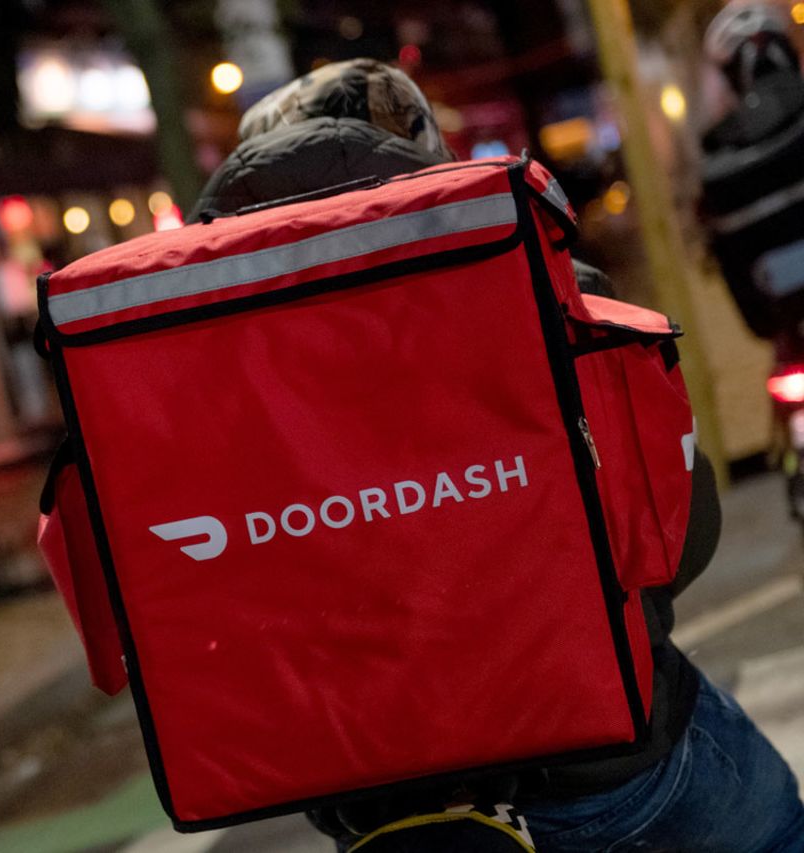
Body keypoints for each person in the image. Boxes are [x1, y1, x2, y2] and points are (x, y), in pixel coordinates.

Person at [192, 58, 804, 852]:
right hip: (607, 771)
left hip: (386, 819)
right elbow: (678, 536)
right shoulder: (539, 286)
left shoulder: (208, 372)